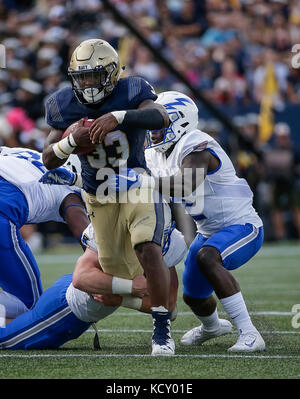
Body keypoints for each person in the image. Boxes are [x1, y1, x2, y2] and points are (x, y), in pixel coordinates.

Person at [41, 38, 174, 356]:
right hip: (98, 196)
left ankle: (162, 330)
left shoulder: (132, 90)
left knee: (147, 247)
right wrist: (70, 142)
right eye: (81, 77)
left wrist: (119, 117)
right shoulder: (63, 104)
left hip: (136, 182)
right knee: (114, 269)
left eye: (94, 75)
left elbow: (161, 117)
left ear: (112, 74)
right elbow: (48, 158)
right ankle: (154, 297)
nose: (87, 83)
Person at [106, 91, 266, 353]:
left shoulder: (197, 144)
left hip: (242, 226)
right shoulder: (156, 153)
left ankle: (250, 333)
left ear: (179, 121)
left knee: (206, 257)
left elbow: (184, 184)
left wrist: (140, 181)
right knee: (193, 295)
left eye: (157, 121)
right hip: (208, 231)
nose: (152, 129)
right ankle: (213, 327)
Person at [0, 221, 187, 350]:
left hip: (73, 303)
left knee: (22, 321)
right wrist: (129, 288)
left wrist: (121, 298)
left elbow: (170, 308)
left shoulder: (172, 239)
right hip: (65, 308)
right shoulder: (112, 221)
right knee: (6, 338)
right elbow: (81, 278)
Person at [0, 146, 89, 319]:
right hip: (4, 206)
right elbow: (89, 241)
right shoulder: (70, 191)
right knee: (27, 306)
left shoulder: (29, 153)